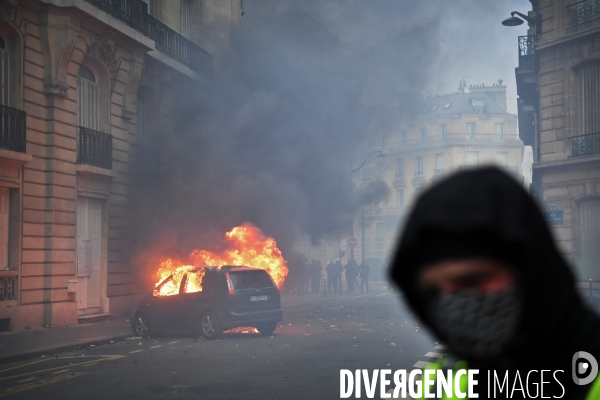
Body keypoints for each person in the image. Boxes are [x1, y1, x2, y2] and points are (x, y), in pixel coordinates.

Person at [389, 167, 600, 399]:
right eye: (432, 292)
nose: (452, 303)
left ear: (531, 269)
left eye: (473, 279)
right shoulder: (437, 384)